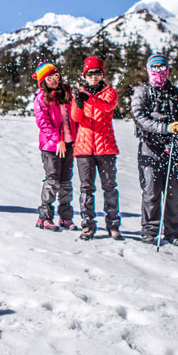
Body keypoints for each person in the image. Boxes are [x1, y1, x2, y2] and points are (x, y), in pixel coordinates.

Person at [130, 53, 178, 246]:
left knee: (173, 193)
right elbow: (139, 117)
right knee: (151, 192)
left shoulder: (176, 92)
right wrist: (165, 127)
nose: (159, 71)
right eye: (154, 67)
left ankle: (172, 232)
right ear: (148, 69)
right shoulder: (142, 92)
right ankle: (149, 230)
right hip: (150, 148)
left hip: (173, 148)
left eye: (162, 67)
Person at [71, 56, 122, 241]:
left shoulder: (109, 92)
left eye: (97, 73)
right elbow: (76, 118)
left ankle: (113, 224)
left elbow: (107, 107)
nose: (94, 77)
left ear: (102, 75)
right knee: (86, 189)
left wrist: (89, 99)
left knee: (109, 187)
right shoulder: (80, 94)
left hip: (105, 146)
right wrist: (78, 103)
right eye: (90, 73)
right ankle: (88, 225)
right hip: (84, 147)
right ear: (85, 75)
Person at [33, 61, 77, 231]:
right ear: (43, 80)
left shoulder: (66, 95)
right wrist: (57, 139)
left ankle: (65, 218)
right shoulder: (41, 98)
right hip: (51, 147)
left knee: (66, 182)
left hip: (68, 144)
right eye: (49, 77)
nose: (54, 80)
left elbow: (73, 118)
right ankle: (44, 217)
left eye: (56, 76)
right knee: (52, 181)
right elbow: (43, 122)